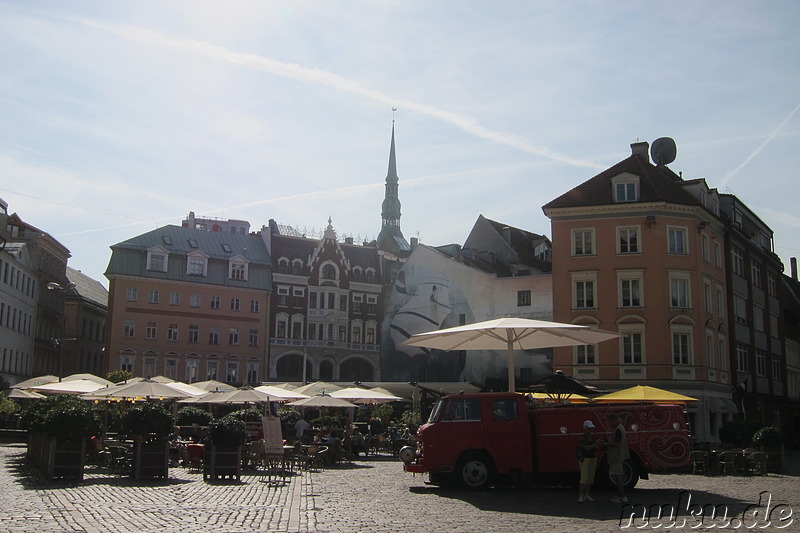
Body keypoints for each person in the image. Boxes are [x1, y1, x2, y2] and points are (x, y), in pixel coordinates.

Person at [606, 413, 630, 503]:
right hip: (618, 456)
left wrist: (606, 444)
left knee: (617, 476)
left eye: (609, 422)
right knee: (617, 475)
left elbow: (617, 443)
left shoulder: (618, 430)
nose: (609, 424)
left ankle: (622, 496)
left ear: (613, 420)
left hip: (616, 456)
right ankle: (620, 495)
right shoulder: (620, 428)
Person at [577, 420, 600, 503]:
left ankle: (587, 495)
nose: (591, 430)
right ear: (585, 428)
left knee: (590, 478)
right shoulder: (582, 438)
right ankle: (581, 496)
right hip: (585, 458)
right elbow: (585, 448)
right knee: (584, 478)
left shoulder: (592, 437)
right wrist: (594, 445)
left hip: (592, 458)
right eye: (589, 428)